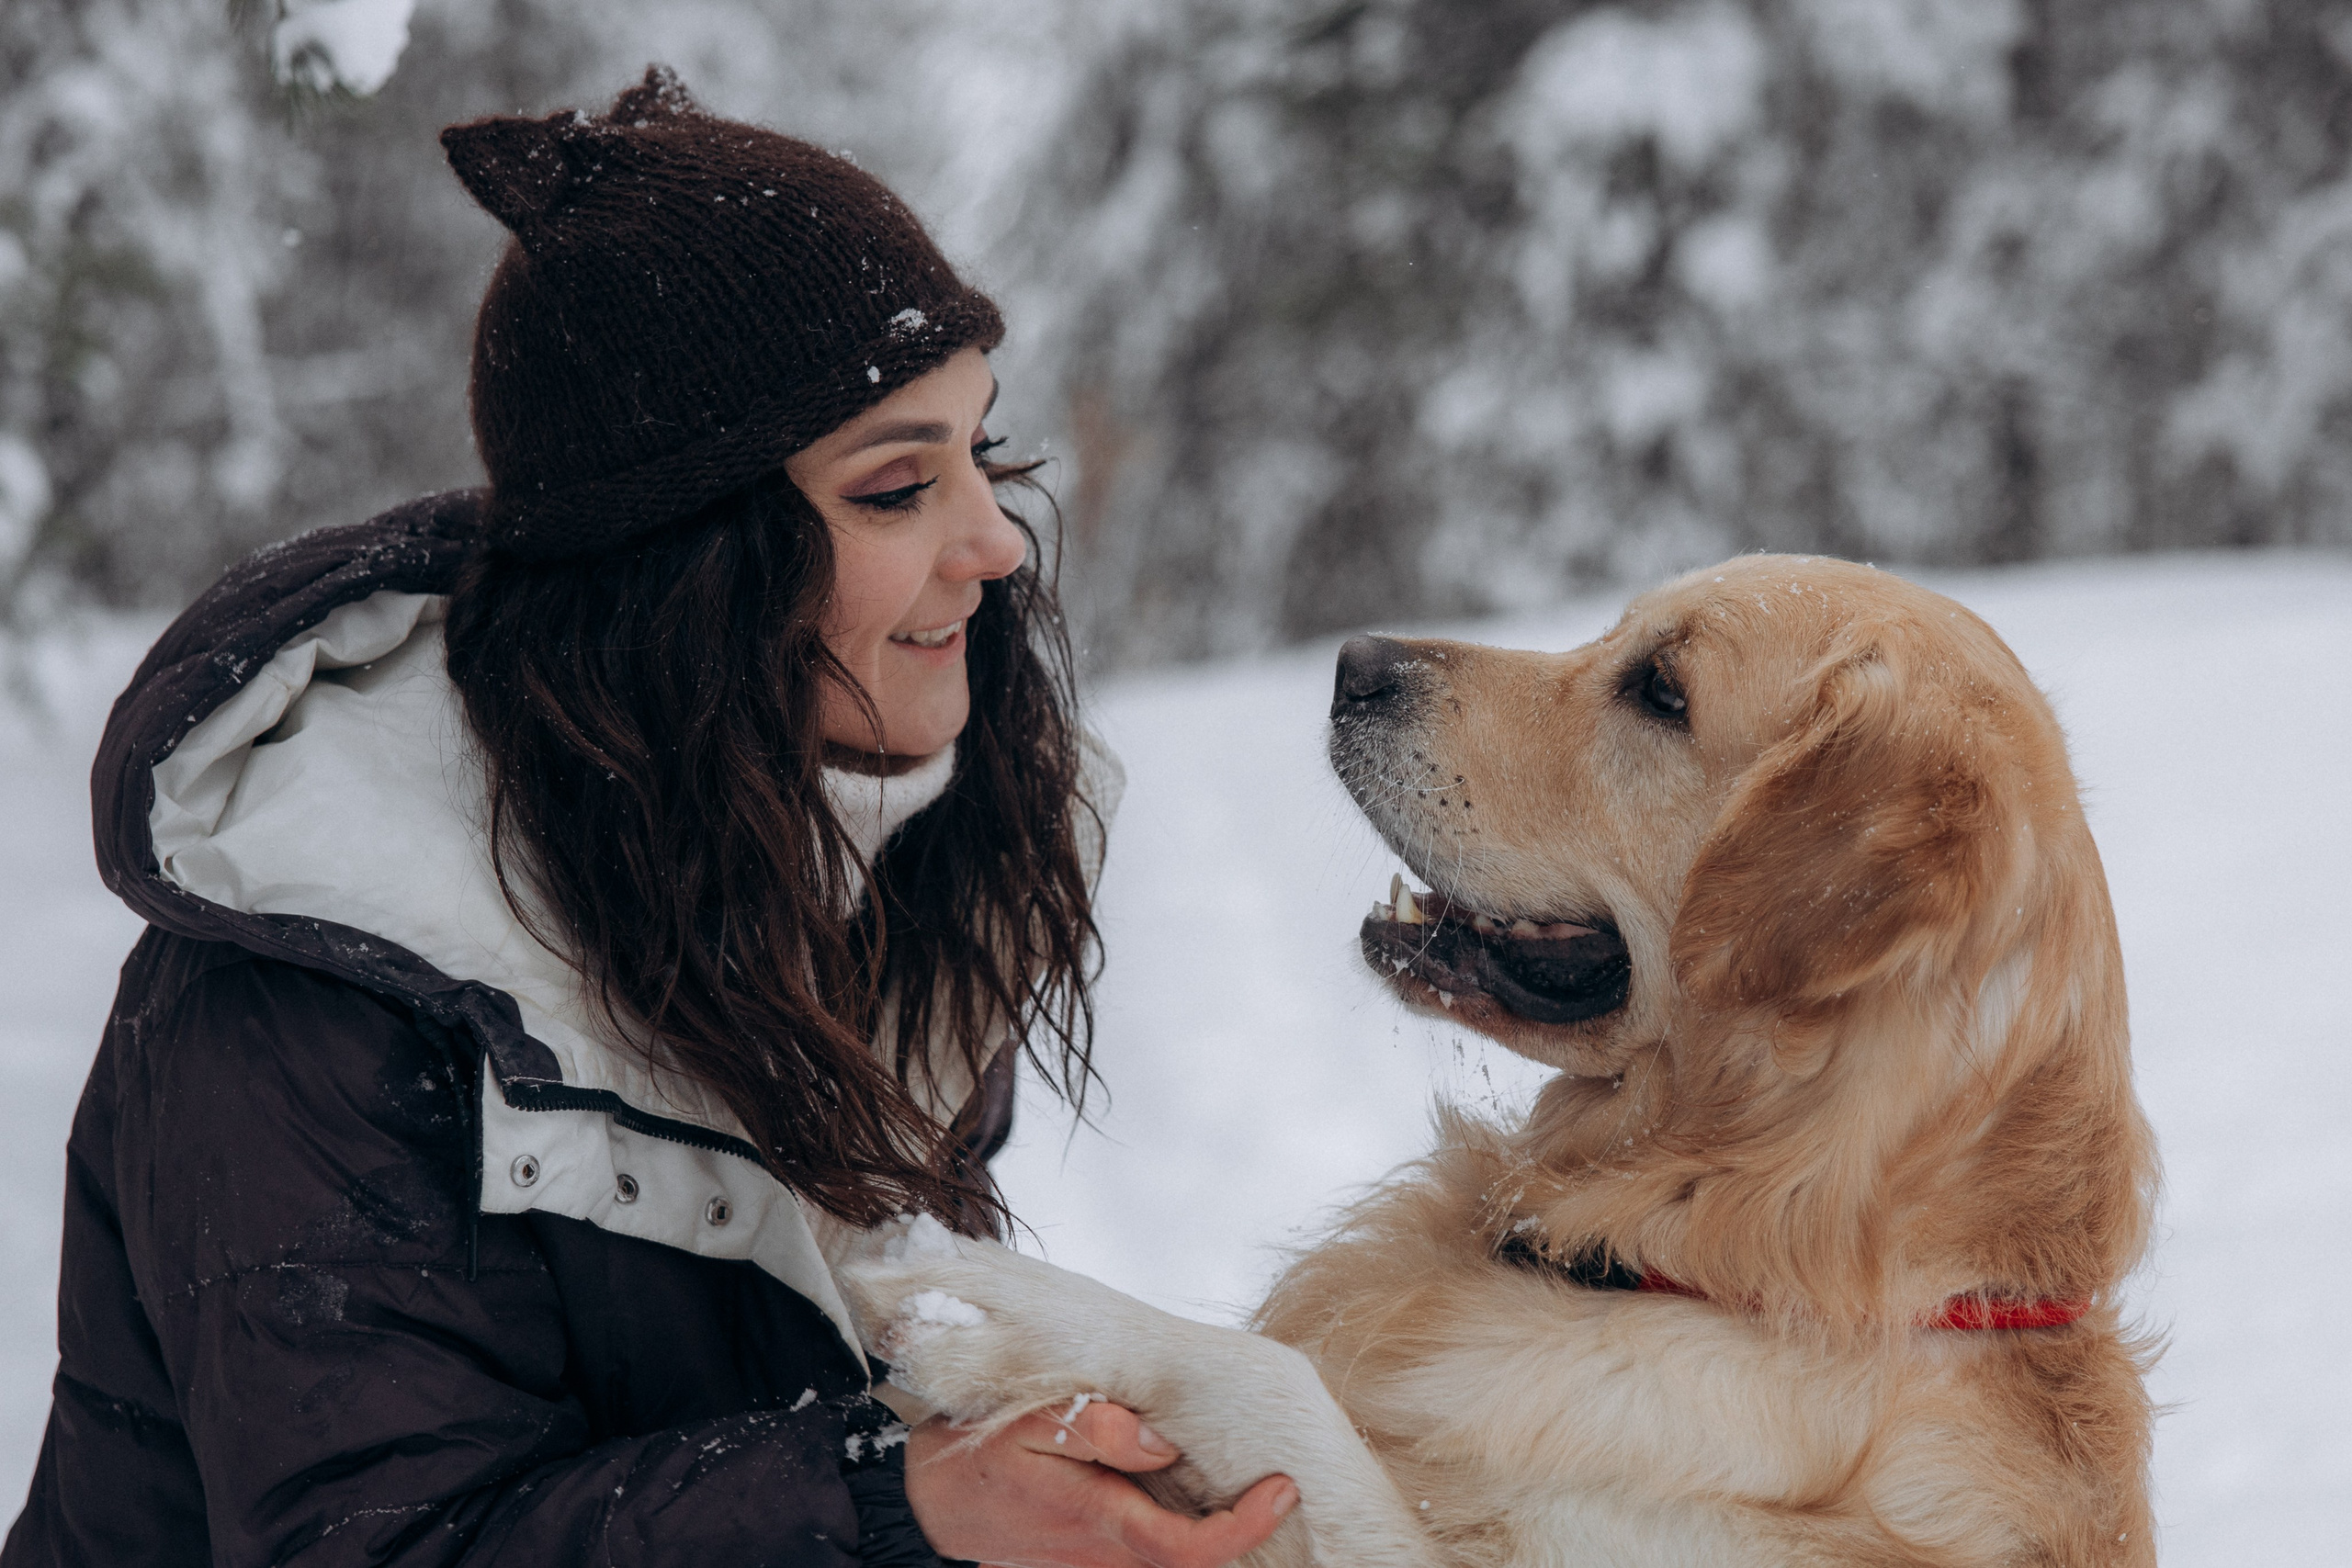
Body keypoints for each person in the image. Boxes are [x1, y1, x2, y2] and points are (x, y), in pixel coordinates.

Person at [2, 67, 1295, 1568]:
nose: (997, 541)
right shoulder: (320, 983)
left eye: (980, 452)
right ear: (688, 566)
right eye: (896, 489)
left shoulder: (867, 854)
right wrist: (896, 1502)